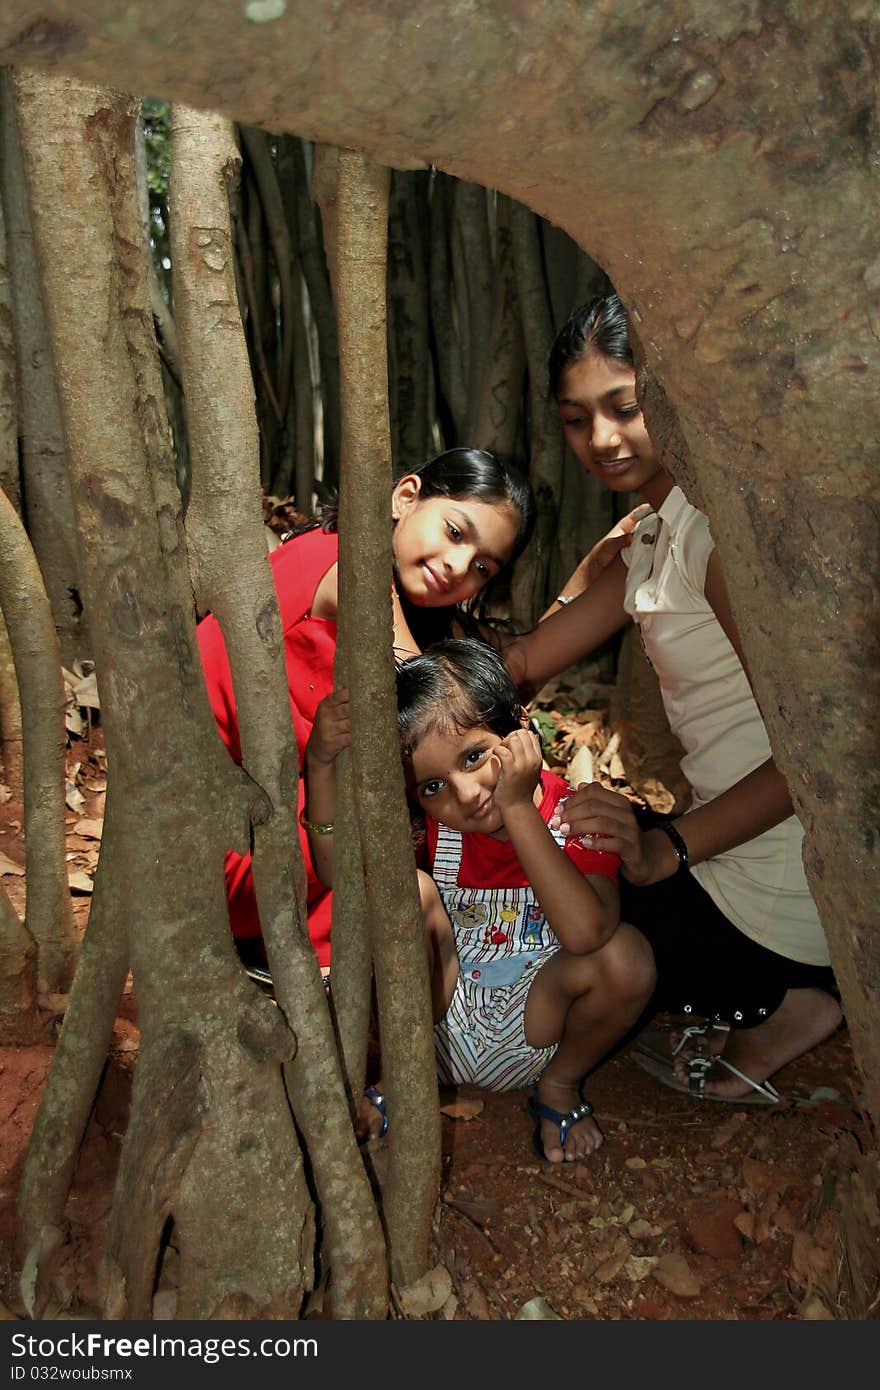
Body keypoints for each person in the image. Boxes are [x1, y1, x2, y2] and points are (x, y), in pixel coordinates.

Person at [504, 293, 841, 1103]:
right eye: (577, 419)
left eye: (627, 408)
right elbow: (520, 661)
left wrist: (669, 852)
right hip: (739, 844)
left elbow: (812, 761)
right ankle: (756, 987)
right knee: (562, 842)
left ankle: (787, 1000)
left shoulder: (718, 535)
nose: (603, 439)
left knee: (571, 907)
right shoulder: (660, 528)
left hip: (787, 873)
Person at [304, 640, 656, 1162]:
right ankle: (402, 1084)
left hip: (540, 1029)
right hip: (435, 1025)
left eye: (474, 757)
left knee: (626, 957)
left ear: (518, 728)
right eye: (431, 787)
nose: (466, 794)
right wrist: (320, 762)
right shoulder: (437, 831)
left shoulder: (578, 817)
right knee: (412, 892)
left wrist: (517, 807)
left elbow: (588, 935)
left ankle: (559, 1088)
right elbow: (339, 876)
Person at [197, 448, 535, 976]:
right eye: (454, 532)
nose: (457, 566)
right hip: (223, 859)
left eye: (481, 566)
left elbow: (517, 662)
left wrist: (603, 576)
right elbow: (445, 711)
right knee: (432, 806)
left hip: (272, 839)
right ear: (406, 497)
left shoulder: (408, 598)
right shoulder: (349, 571)